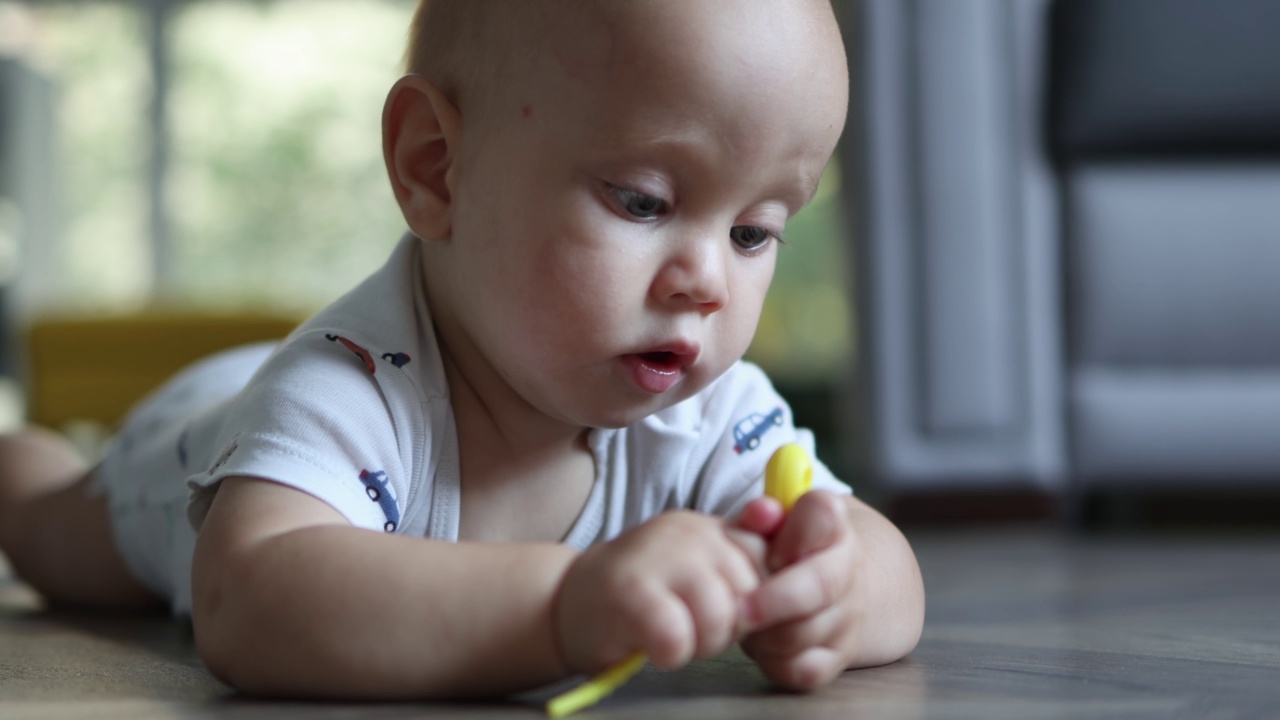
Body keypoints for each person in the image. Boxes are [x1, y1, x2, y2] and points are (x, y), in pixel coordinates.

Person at [0, 0, 924, 700]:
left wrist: (834, 588)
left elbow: (884, 561)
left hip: (273, 389)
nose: (707, 283)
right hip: (198, 439)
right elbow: (249, 600)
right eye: (643, 201)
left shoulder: (706, 410)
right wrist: (562, 607)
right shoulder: (346, 388)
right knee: (50, 530)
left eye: (756, 232)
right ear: (436, 168)